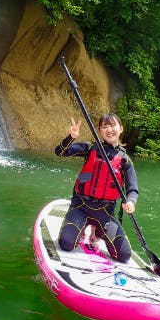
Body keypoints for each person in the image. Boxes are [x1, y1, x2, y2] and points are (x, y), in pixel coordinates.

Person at [55, 113, 139, 263]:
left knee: (124, 255)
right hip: (81, 206)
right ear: (100, 131)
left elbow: (132, 189)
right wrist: (71, 137)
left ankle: (98, 231)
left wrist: (131, 202)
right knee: (66, 244)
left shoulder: (125, 160)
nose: (109, 130)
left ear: (121, 128)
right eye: (104, 127)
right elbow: (59, 152)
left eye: (112, 126)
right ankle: (82, 225)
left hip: (105, 213)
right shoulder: (90, 148)